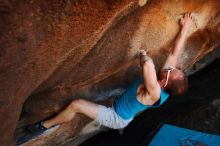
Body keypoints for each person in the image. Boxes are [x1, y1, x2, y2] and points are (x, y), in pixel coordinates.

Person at [28, 13, 193, 134]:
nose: (170, 67)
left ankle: (45, 126)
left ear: (165, 82)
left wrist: (143, 54)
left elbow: (148, 65)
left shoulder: (155, 92)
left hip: (115, 117)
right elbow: (173, 54)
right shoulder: (168, 80)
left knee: (76, 105)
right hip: (122, 108)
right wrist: (185, 28)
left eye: (170, 71)